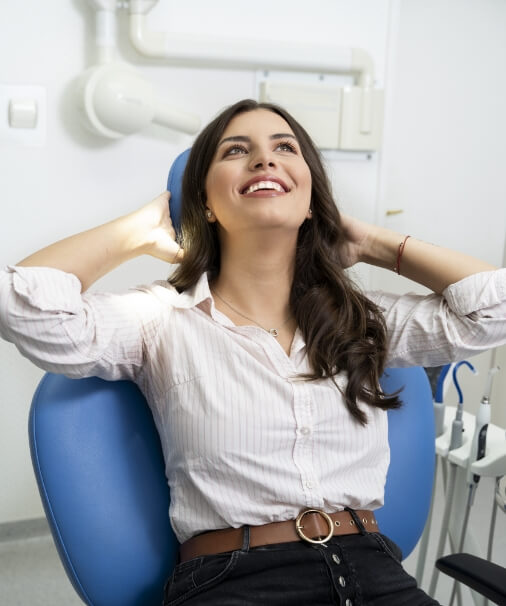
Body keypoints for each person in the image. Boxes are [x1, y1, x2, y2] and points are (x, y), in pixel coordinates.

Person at [1, 98, 505, 606]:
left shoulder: (364, 320)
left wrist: (372, 241)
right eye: (236, 151)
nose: (265, 160)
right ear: (204, 203)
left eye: (284, 148)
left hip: (376, 574)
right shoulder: (159, 319)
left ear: (309, 199)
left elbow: (493, 310)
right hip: (235, 583)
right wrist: (135, 234)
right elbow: (20, 307)